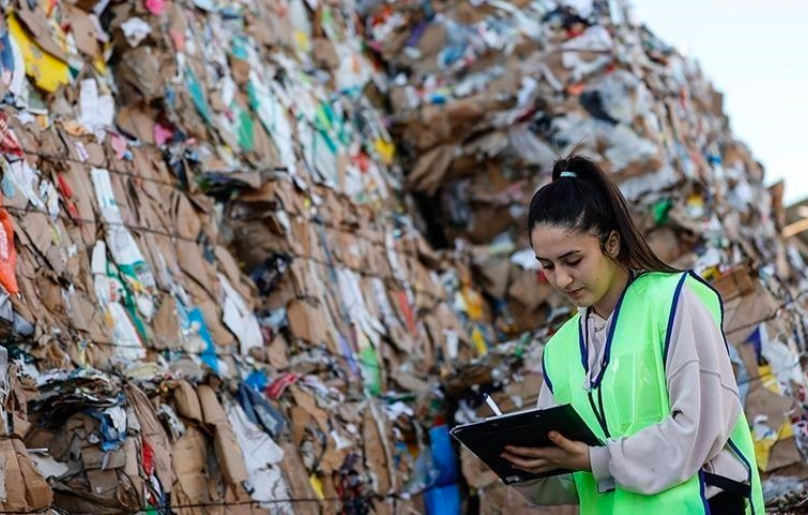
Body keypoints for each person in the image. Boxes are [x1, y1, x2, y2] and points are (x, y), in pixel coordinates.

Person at [502, 153, 763, 514]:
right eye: (547, 266)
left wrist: (598, 459)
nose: (561, 280)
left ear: (611, 243)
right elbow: (571, 479)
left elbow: (698, 431)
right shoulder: (559, 351)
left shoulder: (672, 302)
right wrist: (527, 466)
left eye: (573, 260)